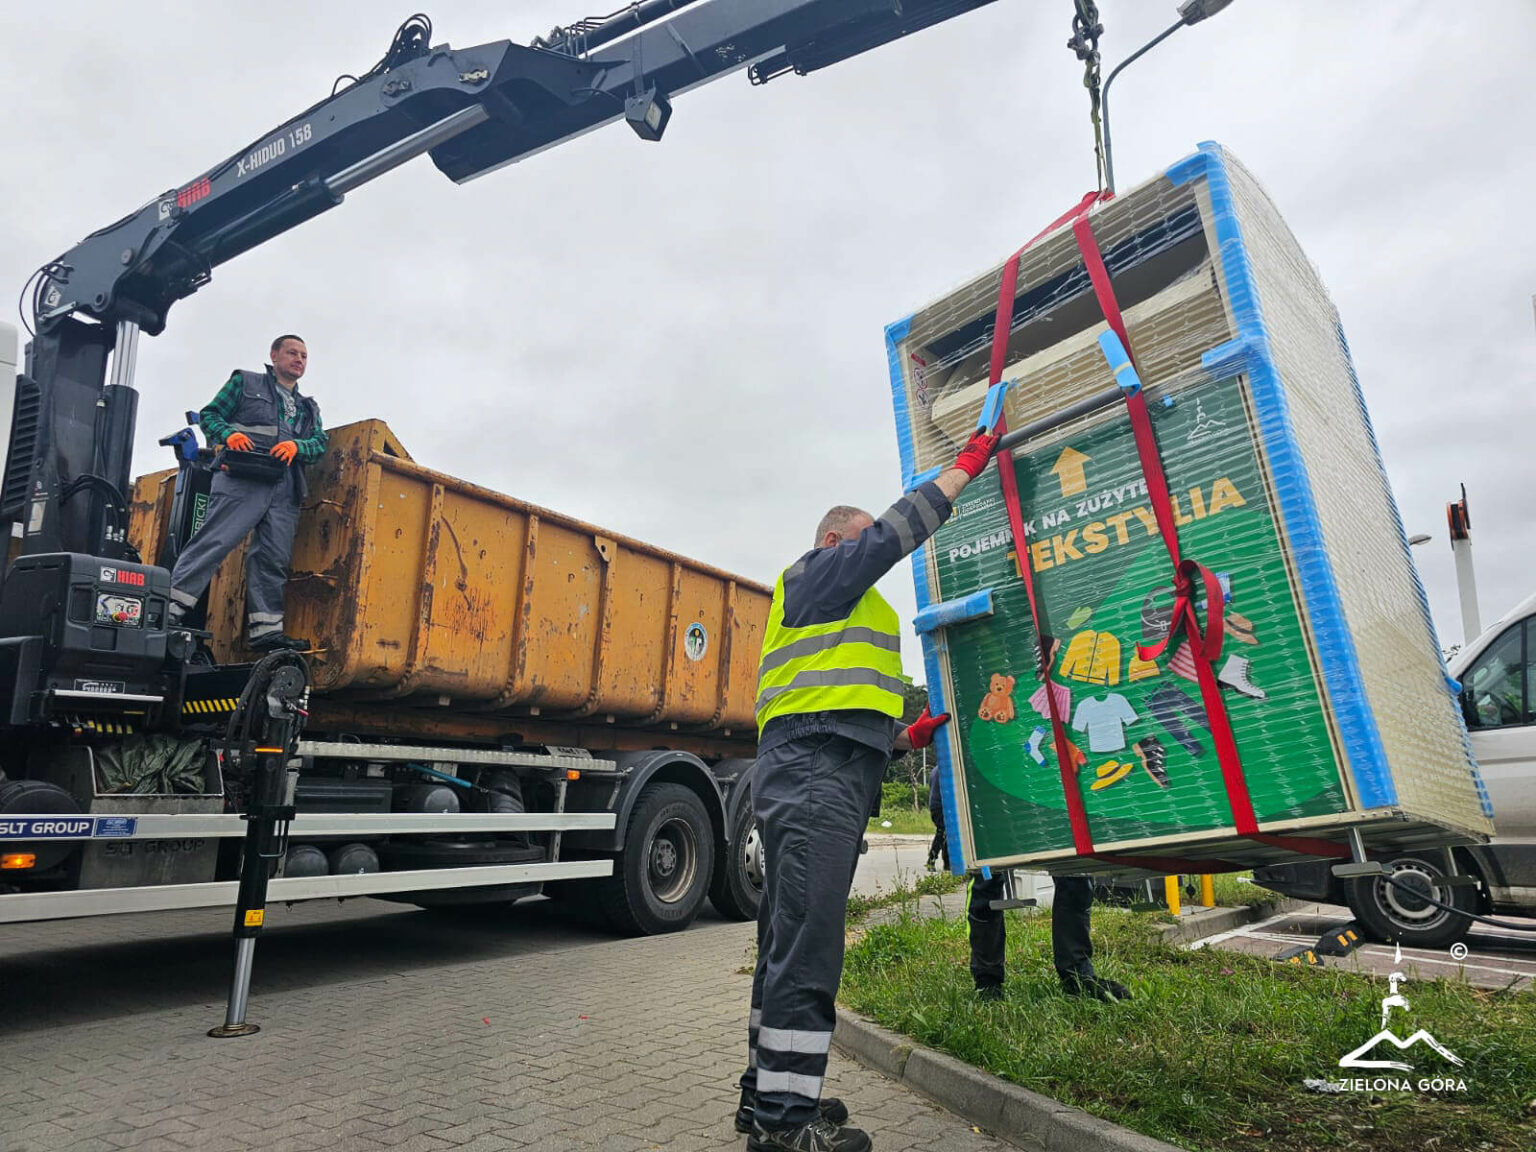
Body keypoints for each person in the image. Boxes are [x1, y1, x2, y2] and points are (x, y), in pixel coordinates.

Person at [734, 426, 997, 1152]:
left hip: (823, 767)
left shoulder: (835, 608)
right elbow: (885, 538)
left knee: (786, 943)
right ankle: (786, 1131)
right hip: (813, 775)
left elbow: (838, 715)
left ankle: (767, 1101)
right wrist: (960, 473)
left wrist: (906, 737)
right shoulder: (814, 575)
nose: (865, 556)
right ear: (831, 541)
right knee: (808, 950)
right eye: (855, 543)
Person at [167, 335, 327, 651]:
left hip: (284, 489)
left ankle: (265, 632)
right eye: (292, 353)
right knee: (214, 542)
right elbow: (211, 415)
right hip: (241, 478)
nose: (299, 359)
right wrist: (230, 435)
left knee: (273, 559)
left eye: (305, 356)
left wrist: (298, 445)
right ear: (274, 355)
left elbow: (320, 444)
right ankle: (168, 611)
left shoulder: (308, 407)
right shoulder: (244, 382)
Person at [927, 775, 1130, 1003]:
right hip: (985, 787)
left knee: (1075, 875)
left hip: (1047, 785)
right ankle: (987, 981)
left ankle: (1077, 975)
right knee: (986, 881)